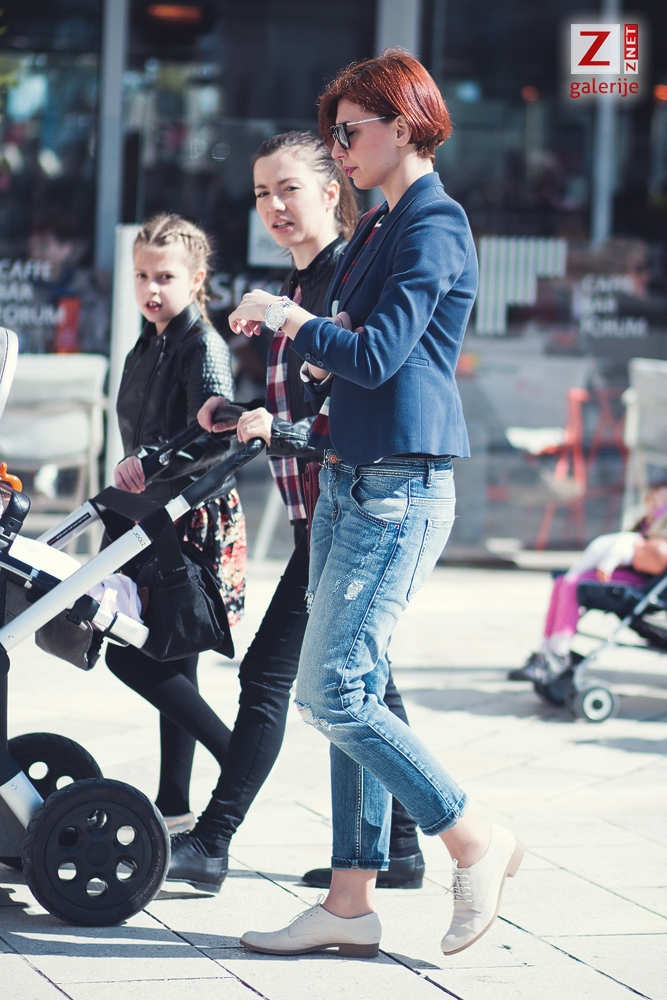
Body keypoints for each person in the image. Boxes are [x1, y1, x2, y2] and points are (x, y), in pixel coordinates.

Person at [224, 50, 523, 959]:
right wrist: (310, 356)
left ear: (402, 125)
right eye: (335, 132)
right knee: (343, 690)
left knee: (332, 691)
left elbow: (375, 354)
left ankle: (471, 836)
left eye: (349, 131)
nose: (340, 147)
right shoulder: (382, 226)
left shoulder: (435, 222)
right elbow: (348, 358)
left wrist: (290, 320)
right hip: (350, 475)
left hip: (401, 484)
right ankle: (348, 903)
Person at [169, 131, 426, 894]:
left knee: (269, 676)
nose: (274, 205)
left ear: (329, 192)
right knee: (367, 681)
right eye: (261, 193)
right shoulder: (302, 284)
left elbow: (352, 406)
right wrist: (236, 413)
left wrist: (276, 428)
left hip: (346, 512)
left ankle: (212, 841)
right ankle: (401, 848)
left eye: (288, 189)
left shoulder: (344, 282)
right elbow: (306, 402)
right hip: (319, 517)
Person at [106, 213, 246, 836]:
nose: (150, 288)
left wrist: (152, 462)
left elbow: (216, 435)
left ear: (196, 279)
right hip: (152, 521)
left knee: (138, 655)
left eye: (164, 276)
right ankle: (173, 806)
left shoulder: (201, 345)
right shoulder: (146, 343)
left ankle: (237, 757)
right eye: (141, 275)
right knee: (174, 661)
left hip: (189, 523)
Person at [510, 483, 667, 681]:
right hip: (626, 572)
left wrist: (660, 512)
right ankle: (548, 649)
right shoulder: (646, 520)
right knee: (562, 581)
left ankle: (558, 653)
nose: (654, 497)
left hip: (643, 581)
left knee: (571, 584)